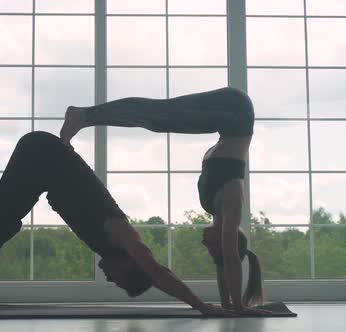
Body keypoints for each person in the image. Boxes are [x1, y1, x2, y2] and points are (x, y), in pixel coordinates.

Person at [0, 130, 227, 316]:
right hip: (41, 155)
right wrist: (201, 305)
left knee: (3, 226)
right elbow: (158, 272)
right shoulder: (125, 236)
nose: (110, 279)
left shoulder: (108, 244)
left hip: (43, 162)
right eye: (119, 279)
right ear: (131, 264)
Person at [60, 87, 269, 315]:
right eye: (211, 247)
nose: (203, 244)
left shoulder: (214, 207)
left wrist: (227, 305)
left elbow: (223, 262)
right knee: (158, 115)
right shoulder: (232, 204)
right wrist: (239, 306)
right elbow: (229, 257)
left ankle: (84, 116)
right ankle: (83, 115)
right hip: (237, 110)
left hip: (226, 122)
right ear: (225, 241)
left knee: (157, 119)